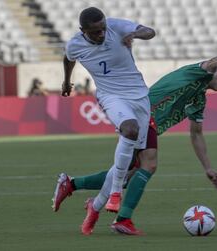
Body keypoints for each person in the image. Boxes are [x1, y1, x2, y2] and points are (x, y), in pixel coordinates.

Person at [52, 54, 217, 235]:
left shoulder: (199, 99)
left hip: (146, 123)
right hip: (142, 115)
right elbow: (212, 62)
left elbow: (196, 134)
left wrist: (208, 167)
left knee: (127, 175)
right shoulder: (195, 73)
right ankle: (122, 219)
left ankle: (72, 184)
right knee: (148, 165)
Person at [53, 6, 156, 235]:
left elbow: (150, 32)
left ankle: (94, 204)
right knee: (129, 130)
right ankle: (116, 193)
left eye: (102, 29)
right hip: (111, 96)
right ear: (83, 31)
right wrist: (66, 81)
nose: (101, 34)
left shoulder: (116, 26)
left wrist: (135, 34)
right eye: (95, 32)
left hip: (139, 96)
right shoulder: (75, 44)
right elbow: (68, 59)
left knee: (132, 164)